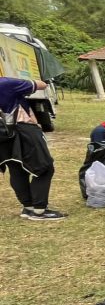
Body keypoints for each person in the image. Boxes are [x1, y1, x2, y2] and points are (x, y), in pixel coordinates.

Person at [0, 77, 66, 220]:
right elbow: (41, 85)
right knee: (44, 167)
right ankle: (39, 210)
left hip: (2, 135)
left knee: (16, 168)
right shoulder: (6, 83)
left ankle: (28, 207)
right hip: (21, 128)